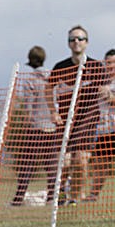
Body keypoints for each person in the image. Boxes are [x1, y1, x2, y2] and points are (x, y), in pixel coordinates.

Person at [45, 26, 107, 204]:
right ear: (68, 44)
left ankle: (75, 197)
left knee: (80, 161)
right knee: (63, 163)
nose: (76, 42)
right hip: (65, 122)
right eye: (72, 39)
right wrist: (53, 112)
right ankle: (59, 195)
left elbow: (107, 89)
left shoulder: (96, 66)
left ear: (87, 42)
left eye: (80, 39)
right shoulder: (61, 67)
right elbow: (48, 87)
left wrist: (107, 94)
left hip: (88, 121)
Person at [10, 46, 58, 205]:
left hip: (35, 128)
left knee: (26, 164)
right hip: (52, 127)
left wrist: (25, 125)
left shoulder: (29, 80)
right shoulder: (52, 77)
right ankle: (52, 197)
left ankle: (18, 198)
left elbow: (29, 107)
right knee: (51, 165)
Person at [85, 49, 115, 201]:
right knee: (101, 164)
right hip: (104, 129)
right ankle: (93, 195)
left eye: (114, 63)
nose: (111, 66)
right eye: (108, 63)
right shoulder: (100, 82)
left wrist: (110, 96)